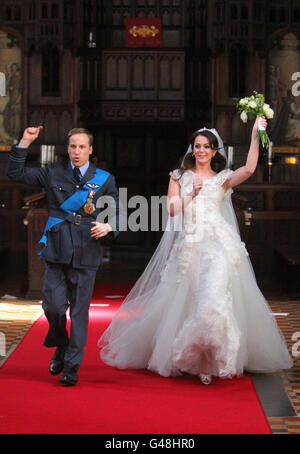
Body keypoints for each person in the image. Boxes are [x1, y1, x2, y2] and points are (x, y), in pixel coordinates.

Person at [98, 116, 293, 385]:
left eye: (206, 146)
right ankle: (200, 361)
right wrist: (192, 194)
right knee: (192, 301)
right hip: (190, 247)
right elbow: (171, 209)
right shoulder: (180, 176)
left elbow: (248, 169)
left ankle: (218, 357)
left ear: (214, 151)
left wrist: (254, 134)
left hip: (220, 247)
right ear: (193, 149)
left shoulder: (223, 179)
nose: (200, 150)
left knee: (212, 301)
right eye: (197, 146)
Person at [7, 126, 119, 386]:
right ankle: (60, 341)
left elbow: (116, 209)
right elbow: (15, 172)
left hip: (86, 249)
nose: (76, 151)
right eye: (72, 147)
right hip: (57, 249)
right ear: (67, 149)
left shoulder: (104, 178)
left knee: (79, 312)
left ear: (90, 150)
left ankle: (71, 366)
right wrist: (25, 141)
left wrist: (110, 225)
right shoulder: (52, 172)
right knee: (53, 307)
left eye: (81, 147)